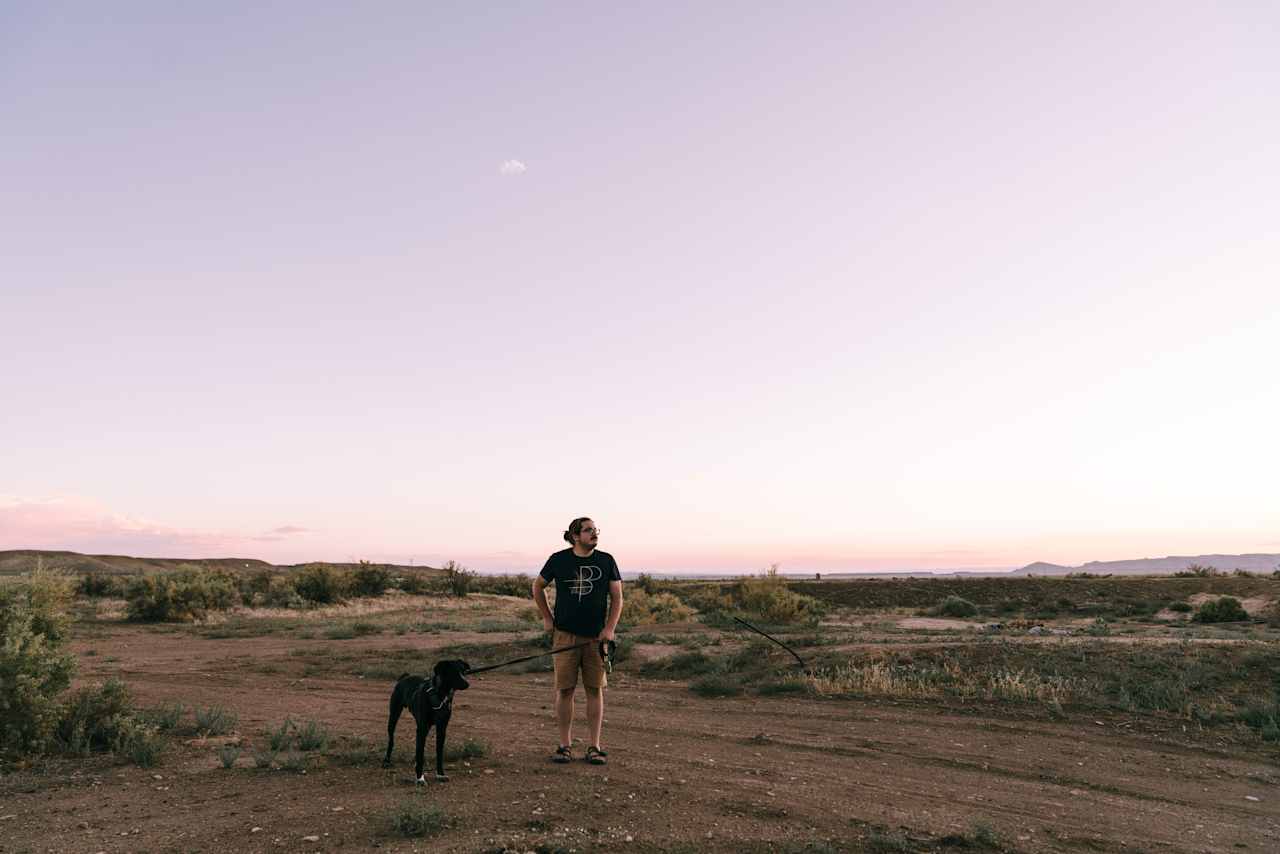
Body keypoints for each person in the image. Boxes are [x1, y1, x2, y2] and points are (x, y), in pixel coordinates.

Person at [531, 516, 623, 765]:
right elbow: (537, 587)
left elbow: (617, 597)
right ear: (575, 535)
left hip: (595, 638)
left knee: (594, 690)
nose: (594, 534)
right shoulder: (558, 560)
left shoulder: (606, 560)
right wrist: (547, 619)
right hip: (565, 635)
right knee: (565, 690)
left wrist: (610, 628)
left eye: (595, 530)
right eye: (588, 530)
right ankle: (565, 746)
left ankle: (594, 746)